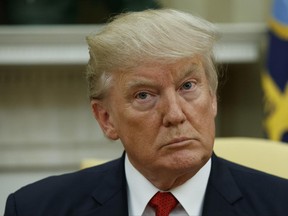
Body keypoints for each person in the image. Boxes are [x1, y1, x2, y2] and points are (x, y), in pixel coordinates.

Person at [4, 9, 288, 216]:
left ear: (212, 98)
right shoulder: (35, 208)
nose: (175, 114)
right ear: (106, 119)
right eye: (144, 95)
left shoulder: (279, 205)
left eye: (188, 86)